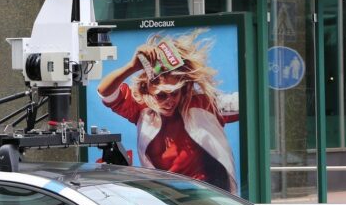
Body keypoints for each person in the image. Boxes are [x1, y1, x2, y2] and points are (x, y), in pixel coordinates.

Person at [97, 30, 239, 192]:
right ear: (147, 89)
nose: (169, 101)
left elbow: (245, 102)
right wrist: (131, 66)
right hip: (169, 199)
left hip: (208, 196)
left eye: (174, 93)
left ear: (183, 89)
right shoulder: (141, 109)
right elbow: (105, 92)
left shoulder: (202, 103)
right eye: (161, 95)